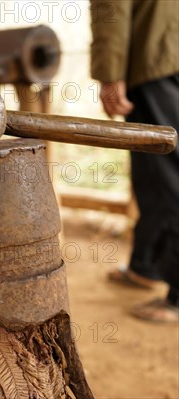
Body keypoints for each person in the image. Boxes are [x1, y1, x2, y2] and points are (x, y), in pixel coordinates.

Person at [90, 0, 179, 322]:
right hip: (165, 51)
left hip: (155, 57)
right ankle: (147, 265)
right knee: (151, 169)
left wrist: (111, 74)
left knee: (166, 172)